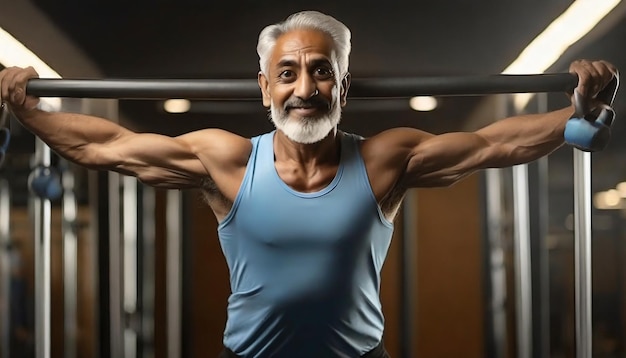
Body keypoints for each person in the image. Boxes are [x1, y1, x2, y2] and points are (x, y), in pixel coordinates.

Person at [0, 10, 618, 358]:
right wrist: (31, 112)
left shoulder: (383, 161)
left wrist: (574, 113)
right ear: (265, 86)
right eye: (287, 73)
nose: (304, 90)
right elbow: (105, 145)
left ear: (342, 88)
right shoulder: (229, 161)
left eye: (322, 72)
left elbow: (492, 143)